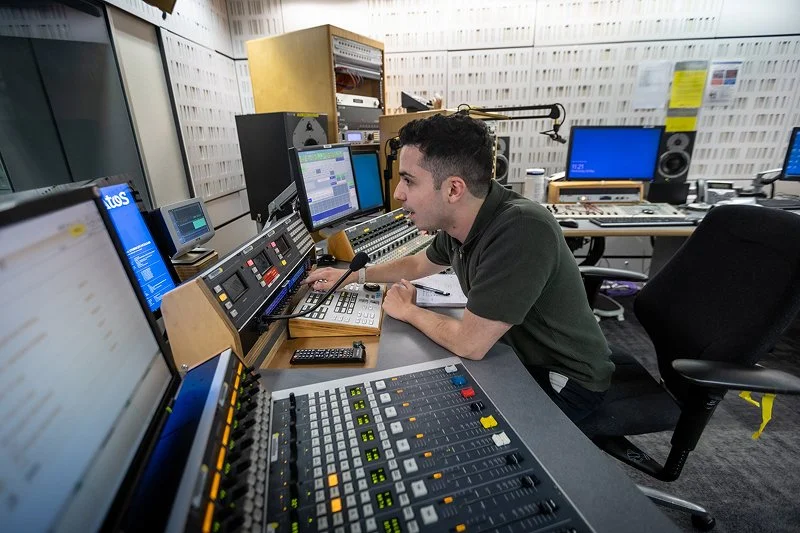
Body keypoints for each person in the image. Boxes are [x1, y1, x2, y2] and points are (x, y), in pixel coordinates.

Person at [305, 113, 613, 422]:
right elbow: (417, 263)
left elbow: (471, 343)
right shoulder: (464, 223)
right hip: (515, 355)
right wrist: (353, 275)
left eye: (409, 180)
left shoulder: (521, 229)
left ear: (453, 190)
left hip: (566, 380)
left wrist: (408, 310)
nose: (398, 193)